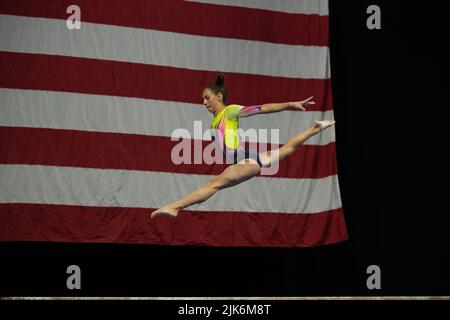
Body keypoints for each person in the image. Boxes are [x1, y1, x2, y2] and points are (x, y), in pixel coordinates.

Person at [150, 75, 335, 218]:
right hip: (249, 157)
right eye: (203, 99)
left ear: (219, 96)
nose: (204, 103)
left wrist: (289, 104)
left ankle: (175, 207)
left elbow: (261, 108)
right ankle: (316, 128)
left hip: (244, 159)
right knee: (285, 151)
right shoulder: (215, 121)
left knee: (213, 184)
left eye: (207, 98)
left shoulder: (229, 111)